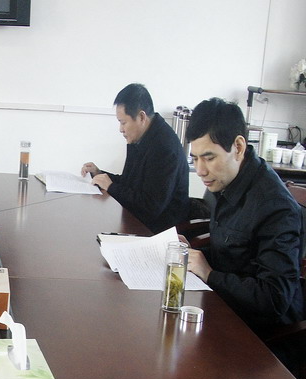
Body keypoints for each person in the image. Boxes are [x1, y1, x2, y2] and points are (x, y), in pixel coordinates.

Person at [183, 97, 303, 333]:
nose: (200, 170)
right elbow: (233, 253)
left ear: (238, 147)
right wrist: (193, 253)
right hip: (225, 307)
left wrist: (209, 274)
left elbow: (274, 298)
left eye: (209, 157)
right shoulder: (227, 181)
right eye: (195, 158)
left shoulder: (275, 207)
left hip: (259, 334)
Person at [81, 83, 189, 233]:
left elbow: (150, 207)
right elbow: (129, 182)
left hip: (158, 231)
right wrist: (99, 174)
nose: (121, 129)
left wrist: (111, 186)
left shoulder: (164, 148)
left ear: (141, 117)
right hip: (137, 220)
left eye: (123, 122)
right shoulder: (142, 137)